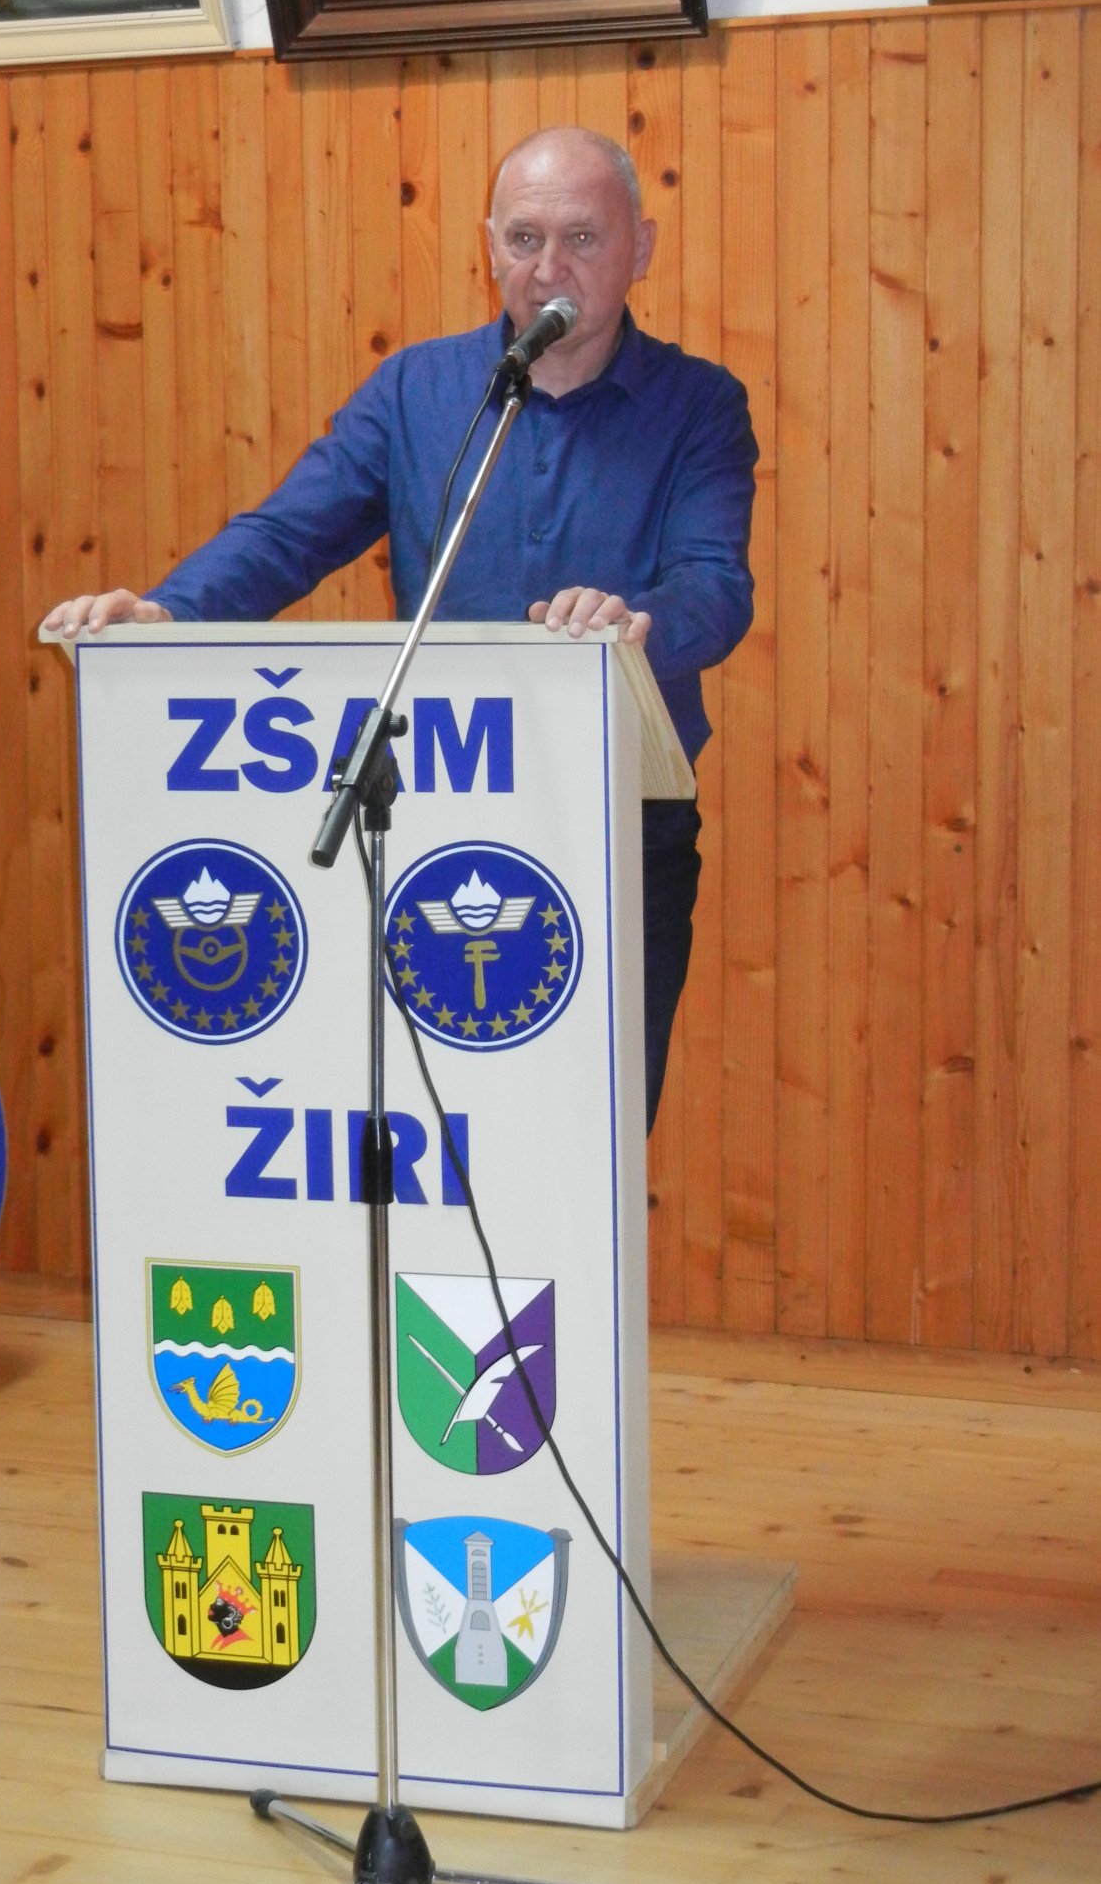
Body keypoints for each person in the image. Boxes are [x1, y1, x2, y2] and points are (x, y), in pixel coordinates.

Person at [45, 127, 757, 1133]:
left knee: (588, 1139)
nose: (547, 269)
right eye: (524, 238)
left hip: (620, 824)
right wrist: (171, 613)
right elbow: (290, 532)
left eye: (582, 238)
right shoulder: (419, 391)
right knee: (440, 1127)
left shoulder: (700, 405)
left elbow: (715, 586)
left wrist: (635, 624)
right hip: (441, 815)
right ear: (489, 247)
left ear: (641, 248)